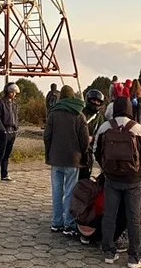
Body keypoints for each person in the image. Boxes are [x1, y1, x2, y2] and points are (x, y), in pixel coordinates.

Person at [94, 97, 141, 268]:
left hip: (112, 179)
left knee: (109, 216)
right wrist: (140, 174)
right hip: (133, 181)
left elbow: (96, 152)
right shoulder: (139, 129)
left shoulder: (105, 127)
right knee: (133, 218)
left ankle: (108, 252)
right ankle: (134, 258)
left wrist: (107, 169)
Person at [44, 85, 89, 236]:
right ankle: (69, 224)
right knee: (70, 192)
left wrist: (48, 153)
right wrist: (83, 154)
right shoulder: (79, 114)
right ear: (72, 97)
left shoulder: (53, 113)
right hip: (73, 159)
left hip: (56, 158)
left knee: (57, 191)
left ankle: (56, 222)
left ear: (60, 97)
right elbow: (84, 140)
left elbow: (47, 136)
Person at [0, 82, 20, 185]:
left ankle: (4, 175)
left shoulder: (15, 104)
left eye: (15, 92)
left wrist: (16, 127)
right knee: (0, 153)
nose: (14, 94)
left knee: (7, 154)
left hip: (12, 132)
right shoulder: (0, 103)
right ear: (7, 91)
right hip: (3, 132)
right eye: (12, 92)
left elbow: (16, 117)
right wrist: (2, 130)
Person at [80, 89, 106, 180]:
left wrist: (93, 138)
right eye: (93, 100)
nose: (95, 103)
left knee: (85, 176)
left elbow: (102, 133)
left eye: (98, 101)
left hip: (89, 150)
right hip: (77, 149)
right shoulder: (81, 113)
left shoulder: (100, 117)